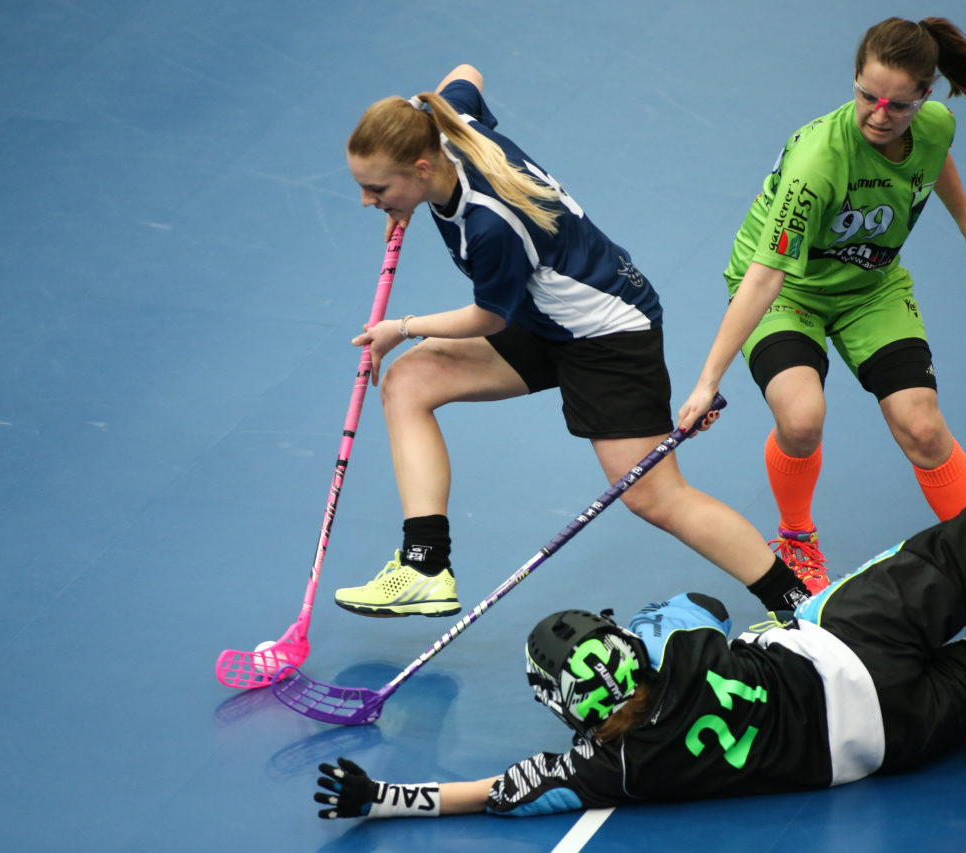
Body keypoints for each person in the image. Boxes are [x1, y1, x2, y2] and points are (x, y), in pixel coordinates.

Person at [312, 406, 966, 820]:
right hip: (852, 635)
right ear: (621, 644)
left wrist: (383, 799)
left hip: (892, 739)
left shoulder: (611, 767)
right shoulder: (676, 641)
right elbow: (707, 599)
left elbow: (498, 793)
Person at [332, 64, 812, 620]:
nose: (366, 201)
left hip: (607, 336)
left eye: (377, 190)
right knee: (409, 382)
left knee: (656, 498)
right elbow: (466, 73)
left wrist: (403, 327)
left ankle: (797, 601)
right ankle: (425, 567)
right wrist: (405, 196)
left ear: (421, 168)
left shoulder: (490, 222)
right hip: (547, 317)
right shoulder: (447, 125)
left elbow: (489, 318)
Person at [677, 17, 966, 627]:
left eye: (898, 105)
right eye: (867, 96)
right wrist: (706, 381)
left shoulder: (934, 125)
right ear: (853, 80)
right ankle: (796, 539)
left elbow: (934, 161)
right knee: (801, 418)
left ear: (924, 97)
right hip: (789, 290)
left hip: (871, 289)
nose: (879, 114)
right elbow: (764, 278)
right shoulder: (818, 162)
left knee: (923, 427)